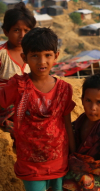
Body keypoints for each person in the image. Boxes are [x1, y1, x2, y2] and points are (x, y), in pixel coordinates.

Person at [0, 27, 76, 191]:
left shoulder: (64, 89)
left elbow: (67, 123)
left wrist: (73, 153)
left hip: (59, 162)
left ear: (56, 56)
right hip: (30, 165)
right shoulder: (18, 85)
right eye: (35, 55)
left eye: (47, 55)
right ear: (24, 57)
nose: (42, 61)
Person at [63, 74, 100, 191]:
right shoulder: (81, 120)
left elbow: (91, 165)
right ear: (82, 100)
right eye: (88, 100)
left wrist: (71, 158)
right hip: (79, 172)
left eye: (99, 102)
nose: (93, 107)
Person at [0, 2, 36, 134]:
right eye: (16, 30)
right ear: (5, 31)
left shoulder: (35, 54)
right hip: (6, 106)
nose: (22, 35)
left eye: (26, 31)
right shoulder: (2, 54)